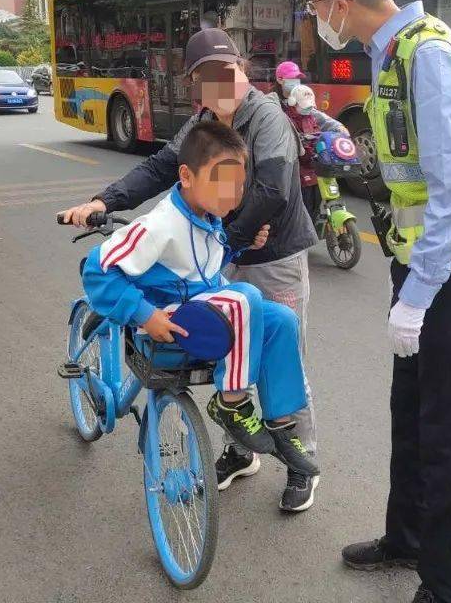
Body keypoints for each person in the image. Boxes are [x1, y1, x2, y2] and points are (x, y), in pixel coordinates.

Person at [286, 0, 451, 603]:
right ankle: (404, 540)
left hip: (450, 276)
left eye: (318, 8)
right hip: (417, 270)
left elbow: (449, 193)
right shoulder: (394, 52)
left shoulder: (426, 55)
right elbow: (402, 168)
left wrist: (419, 296)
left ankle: (443, 587)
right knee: (410, 416)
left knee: (448, 438)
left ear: (341, 4)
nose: (319, 24)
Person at [61, 28, 322, 512]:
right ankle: (241, 451)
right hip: (221, 259)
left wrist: (227, 237)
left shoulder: (267, 118)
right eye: (205, 77)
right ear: (196, 85)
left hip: (273, 255)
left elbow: (273, 190)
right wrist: (106, 199)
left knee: (279, 346)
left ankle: (299, 459)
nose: (217, 84)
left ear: (241, 67)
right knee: (231, 353)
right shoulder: (202, 125)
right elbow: (160, 167)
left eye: (225, 72)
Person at [80, 121, 319, 478]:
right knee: (244, 296)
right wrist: (146, 315)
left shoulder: (207, 217)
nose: (233, 195)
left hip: (199, 311)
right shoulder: (159, 225)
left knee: (281, 320)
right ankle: (231, 403)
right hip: (168, 320)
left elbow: (198, 269)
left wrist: (239, 246)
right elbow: (97, 272)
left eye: (239, 185)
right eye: (221, 183)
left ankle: (280, 425)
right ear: (187, 176)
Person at [281, 83, 347, 226]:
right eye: (304, 106)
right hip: (299, 166)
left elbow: (320, 127)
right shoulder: (285, 118)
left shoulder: (311, 116)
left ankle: (312, 223)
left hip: (313, 162)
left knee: (318, 196)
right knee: (306, 200)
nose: (308, 109)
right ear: (293, 103)